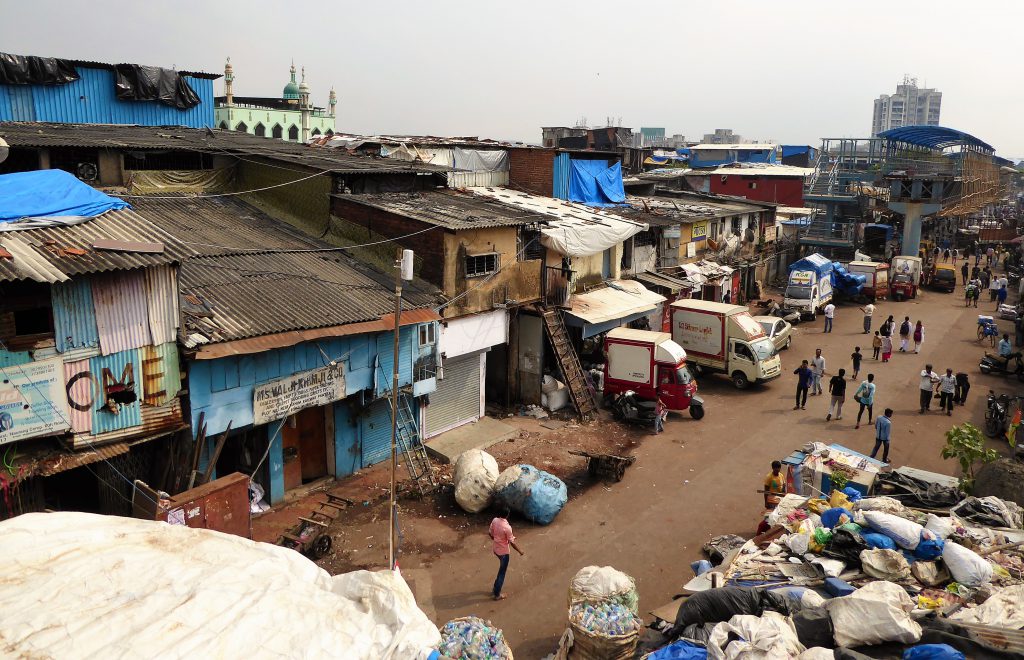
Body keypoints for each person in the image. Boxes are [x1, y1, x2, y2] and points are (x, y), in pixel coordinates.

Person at [488, 507, 524, 600]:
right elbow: (512, 542)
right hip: (504, 552)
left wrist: (497, 540)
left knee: (501, 570)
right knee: (502, 573)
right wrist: (520, 551)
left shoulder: (495, 520)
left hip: (496, 549)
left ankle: (495, 588)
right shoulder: (507, 527)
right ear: (507, 515)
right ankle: (497, 594)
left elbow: (490, 533)